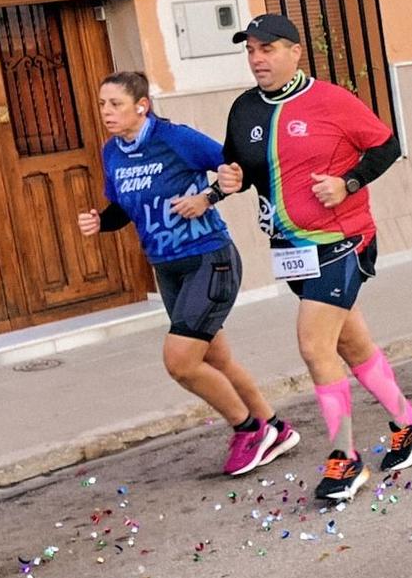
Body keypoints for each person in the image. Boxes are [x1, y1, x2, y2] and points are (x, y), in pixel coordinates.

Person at [216, 14, 412, 504]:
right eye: (251, 50)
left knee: (314, 346)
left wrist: (348, 184)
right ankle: (411, 421)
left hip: (342, 240)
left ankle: (345, 458)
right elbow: (241, 169)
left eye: (268, 48)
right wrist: (226, 184)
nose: (257, 58)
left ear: (295, 52)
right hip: (290, 249)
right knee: (352, 346)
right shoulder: (244, 109)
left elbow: (387, 145)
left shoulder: (331, 100)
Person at [75, 73, 298, 477]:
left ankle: (249, 430)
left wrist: (206, 197)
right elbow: (123, 208)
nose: (106, 112)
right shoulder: (113, 152)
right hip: (167, 267)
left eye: (115, 104)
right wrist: (99, 221)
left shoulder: (175, 138)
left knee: (180, 361)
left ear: (141, 105)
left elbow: (237, 170)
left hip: (209, 259)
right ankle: (277, 430)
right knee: (216, 358)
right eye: (103, 104)